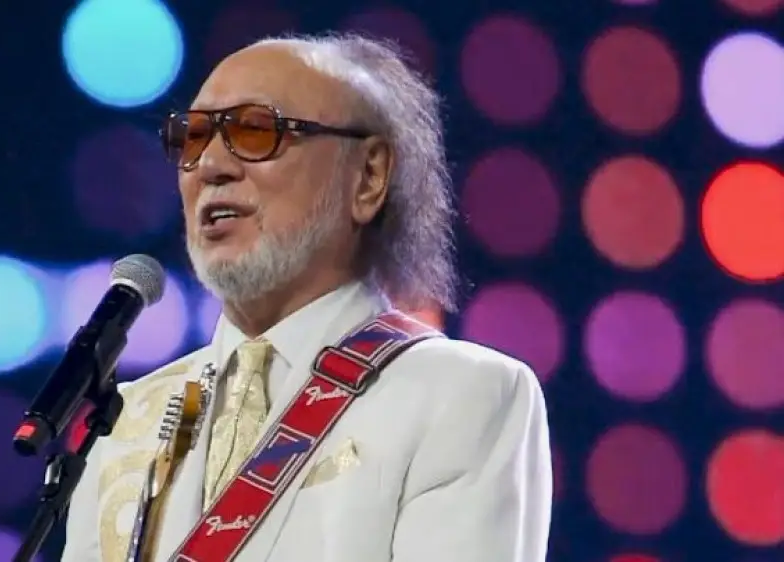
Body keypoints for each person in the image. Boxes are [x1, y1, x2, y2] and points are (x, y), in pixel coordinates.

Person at [61, 32, 552, 562]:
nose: (209, 166)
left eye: (256, 131)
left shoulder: (460, 395)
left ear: (368, 177)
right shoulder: (125, 421)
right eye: (194, 136)